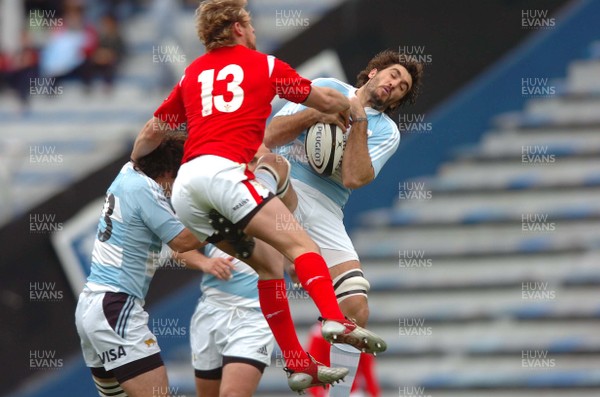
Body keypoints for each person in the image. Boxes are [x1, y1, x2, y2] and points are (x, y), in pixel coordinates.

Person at [130, 0, 387, 392]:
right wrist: (352, 109)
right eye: (248, 25)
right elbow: (323, 99)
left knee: (269, 266)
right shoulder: (264, 65)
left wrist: (135, 162)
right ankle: (333, 317)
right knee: (303, 246)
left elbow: (153, 131)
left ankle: (298, 363)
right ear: (236, 28)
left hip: (187, 190)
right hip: (226, 176)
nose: (253, 32)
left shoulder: (191, 74)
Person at [261, 49, 423, 397]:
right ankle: (286, 249)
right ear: (374, 72)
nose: (395, 85)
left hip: (326, 206)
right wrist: (316, 114)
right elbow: (270, 134)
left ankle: (338, 394)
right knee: (270, 162)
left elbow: (352, 177)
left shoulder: (387, 132)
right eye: (393, 75)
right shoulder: (325, 86)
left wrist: (357, 119)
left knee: (356, 309)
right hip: (283, 178)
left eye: (403, 88)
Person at [75, 133, 218, 397]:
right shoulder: (146, 189)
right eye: (178, 180)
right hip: (115, 307)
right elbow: (182, 241)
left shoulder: (127, 172)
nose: (177, 190)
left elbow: (148, 135)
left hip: (91, 307)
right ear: (167, 172)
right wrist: (224, 214)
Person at [189, 153, 275, 397]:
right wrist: (205, 262)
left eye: (255, 159)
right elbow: (177, 246)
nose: (250, 166)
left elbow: (300, 247)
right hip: (211, 310)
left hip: (254, 315)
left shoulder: (277, 202)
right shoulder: (212, 199)